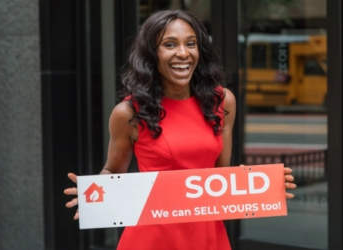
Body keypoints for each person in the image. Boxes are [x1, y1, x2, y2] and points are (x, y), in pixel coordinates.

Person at [64, 9, 296, 250]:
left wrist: (265, 185)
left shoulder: (222, 102)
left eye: (191, 43)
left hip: (208, 236)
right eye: (170, 44)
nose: (183, 53)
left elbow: (221, 176)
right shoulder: (129, 113)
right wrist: (93, 196)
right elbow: (113, 170)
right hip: (152, 238)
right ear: (152, 55)